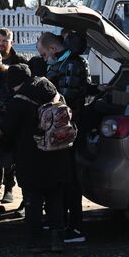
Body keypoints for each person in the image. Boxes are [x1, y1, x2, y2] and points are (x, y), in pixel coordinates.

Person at [1, 64, 72, 253]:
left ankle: (36, 240)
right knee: (55, 199)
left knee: (33, 201)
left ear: (14, 82)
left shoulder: (18, 102)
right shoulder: (52, 91)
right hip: (58, 155)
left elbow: (8, 131)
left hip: (31, 159)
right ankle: (58, 239)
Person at [37, 31, 90, 243]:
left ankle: (75, 228)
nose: (44, 59)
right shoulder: (66, 63)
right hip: (65, 128)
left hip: (68, 129)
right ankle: (62, 221)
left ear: (52, 49)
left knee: (70, 180)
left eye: (43, 54)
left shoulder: (70, 64)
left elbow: (65, 98)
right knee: (63, 177)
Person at [0, 29, 25, 205]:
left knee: (13, 153)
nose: (1, 43)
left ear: (11, 42)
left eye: (5, 40)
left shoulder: (19, 62)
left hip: (13, 111)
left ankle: (9, 188)